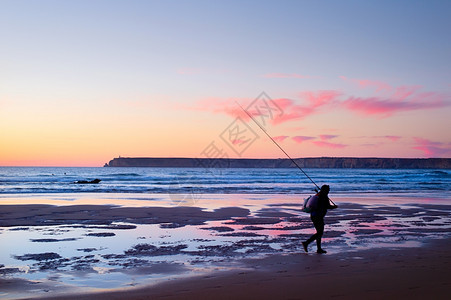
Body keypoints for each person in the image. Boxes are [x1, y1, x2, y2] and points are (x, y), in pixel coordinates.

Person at [302, 184, 337, 254]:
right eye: (328, 190)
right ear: (325, 190)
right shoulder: (323, 197)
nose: (328, 191)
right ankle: (306, 243)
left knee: (319, 232)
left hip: (314, 216)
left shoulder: (319, 195)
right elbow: (327, 206)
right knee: (320, 232)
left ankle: (319, 249)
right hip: (318, 216)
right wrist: (334, 207)